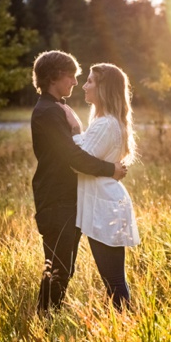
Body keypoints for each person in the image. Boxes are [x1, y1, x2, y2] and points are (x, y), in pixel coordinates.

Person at [30, 50, 127, 314]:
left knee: (64, 267)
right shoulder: (47, 112)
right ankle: (44, 319)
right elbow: (72, 155)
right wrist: (111, 169)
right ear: (53, 77)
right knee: (58, 266)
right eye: (70, 76)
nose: (75, 82)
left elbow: (80, 147)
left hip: (69, 200)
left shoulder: (58, 107)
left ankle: (47, 318)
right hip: (56, 200)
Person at [63, 63, 140, 310]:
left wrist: (74, 129)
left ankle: (128, 331)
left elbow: (79, 161)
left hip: (105, 207)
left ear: (104, 88)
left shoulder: (105, 123)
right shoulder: (106, 122)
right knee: (114, 279)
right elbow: (89, 154)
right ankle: (126, 329)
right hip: (104, 203)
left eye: (90, 81)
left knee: (114, 280)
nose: (84, 86)